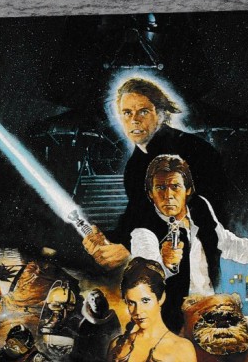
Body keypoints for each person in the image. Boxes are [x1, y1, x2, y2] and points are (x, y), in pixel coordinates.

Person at [123, 154, 248, 333]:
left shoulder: (200, 208)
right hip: (171, 324)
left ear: (188, 190)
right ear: (150, 193)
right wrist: (164, 265)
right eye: (160, 188)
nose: (168, 195)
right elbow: (145, 280)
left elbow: (228, 243)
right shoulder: (143, 228)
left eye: (175, 186)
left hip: (209, 312)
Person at [82, 77, 228, 269]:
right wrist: (107, 240)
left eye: (143, 111)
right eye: (127, 113)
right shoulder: (135, 165)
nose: (134, 120)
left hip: (198, 264)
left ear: (160, 114)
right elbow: (137, 218)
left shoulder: (195, 150)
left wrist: (131, 249)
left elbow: (201, 218)